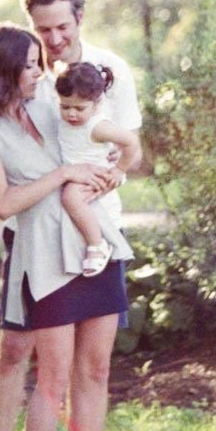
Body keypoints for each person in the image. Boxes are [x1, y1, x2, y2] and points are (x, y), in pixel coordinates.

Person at [0, 0, 146, 431]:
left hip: (93, 240)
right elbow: (5, 201)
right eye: (34, 58)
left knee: (95, 369)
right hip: (38, 252)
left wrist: (112, 172)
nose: (45, 67)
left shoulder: (53, 100)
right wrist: (65, 174)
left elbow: (109, 143)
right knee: (31, 361)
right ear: (6, 71)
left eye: (50, 47)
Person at [56, 61, 141, 277]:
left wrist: (119, 169)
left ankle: (97, 245)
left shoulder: (97, 126)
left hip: (94, 174)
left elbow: (131, 141)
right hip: (77, 172)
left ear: (96, 104)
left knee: (70, 197)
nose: (72, 114)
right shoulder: (66, 121)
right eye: (65, 107)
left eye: (79, 108)